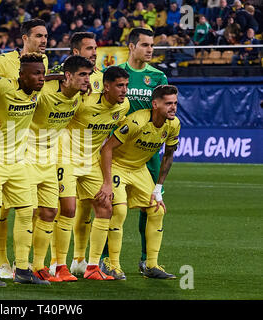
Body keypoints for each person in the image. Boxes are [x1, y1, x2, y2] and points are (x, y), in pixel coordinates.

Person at [50, 66, 131, 281]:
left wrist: (107, 182)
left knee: (105, 207)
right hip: (65, 158)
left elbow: (110, 144)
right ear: (106, 87)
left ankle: (93, 267)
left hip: (91, 162)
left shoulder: (124, 108)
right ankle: (59, 266)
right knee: (68, 209)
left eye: (126, 86)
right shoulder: (83, 102)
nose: (124, 91)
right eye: (119, 86)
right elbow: (57, 118)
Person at [100, 28, 169, 276]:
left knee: (150, 204)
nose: (150, 49)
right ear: (131, 47)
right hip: (118, 149)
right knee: (114, 207)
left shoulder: (159, 76)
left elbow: (165, 110)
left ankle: (145, 260)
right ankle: (106, 258)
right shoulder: (117, 74)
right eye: (144, 45)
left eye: (152, 45)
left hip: (148, 152)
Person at [0, 53, 48, 286]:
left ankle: (23, 270)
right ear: (21, 75)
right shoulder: (4, 86)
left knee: (27, 212)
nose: (41, 78)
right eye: (36, 73)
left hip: (18, 161)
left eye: (43, 73)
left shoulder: (38, 90)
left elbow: (58, 79)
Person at [96, 84, 181, 280]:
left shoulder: (174, 124)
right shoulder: (136, 121)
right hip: (117, 165)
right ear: (155, 104)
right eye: (168, 103)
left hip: (139, 168)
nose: (173, 108)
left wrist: (158, 188)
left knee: (157, 209)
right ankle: (111, 264)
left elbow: (169, 155)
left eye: (175, 103)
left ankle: (151, 265)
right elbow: (107, 149)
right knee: (119, 210)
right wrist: (107, 182)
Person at [27, 55, 93, 282]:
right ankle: (20, 265)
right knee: (28, 212)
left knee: (49, 211)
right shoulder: (43, 92)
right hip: (26, 154)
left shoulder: (78, 97)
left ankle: (41, 266)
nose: (87, 80)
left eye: (89, 75)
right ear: (67, 76)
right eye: (82, 75)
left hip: (51, 156)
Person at [0, 18, 49, 280]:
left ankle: (24, 264)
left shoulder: (45, 62)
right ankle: (2, 262)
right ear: (24, 38)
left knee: (27, 207)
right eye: (38, 36)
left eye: (46, 36)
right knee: (1, 209)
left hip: (27, 143)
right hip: (0, 141)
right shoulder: (3, 62)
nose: (44, 40)